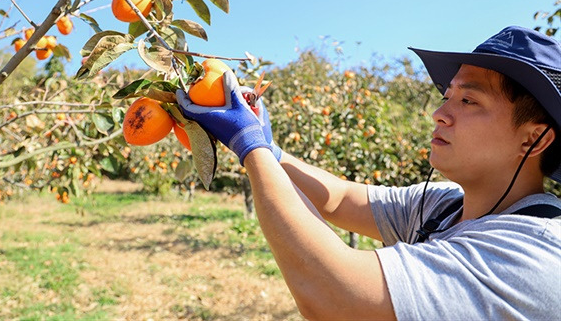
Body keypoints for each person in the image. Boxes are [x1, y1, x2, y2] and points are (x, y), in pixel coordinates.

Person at [176, 26, 561, 321]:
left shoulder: (535, 253)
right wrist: (272, 151)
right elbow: (340, 198)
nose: (440, 114)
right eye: (447, 97)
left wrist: (251, 147)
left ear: (533, 139)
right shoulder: (443, 205)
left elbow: (333, 294)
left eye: (468, 100)